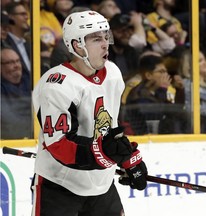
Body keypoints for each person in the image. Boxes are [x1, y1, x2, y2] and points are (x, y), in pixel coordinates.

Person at [31, 11, 147, 216]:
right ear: (77, 45)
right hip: (60, 186)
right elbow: (59, 145)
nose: (105, 44)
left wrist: (127, 157)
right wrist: (104, 153)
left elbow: (109, 129)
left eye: (105, 37)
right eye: (96, 39)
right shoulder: (57, 84)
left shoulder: (112, 73)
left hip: (101, 185)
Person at [1, 47, 32, 139]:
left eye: (18, 61)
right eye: (10, 62)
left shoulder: (31, 82)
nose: (16, 65)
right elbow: (9, 121)